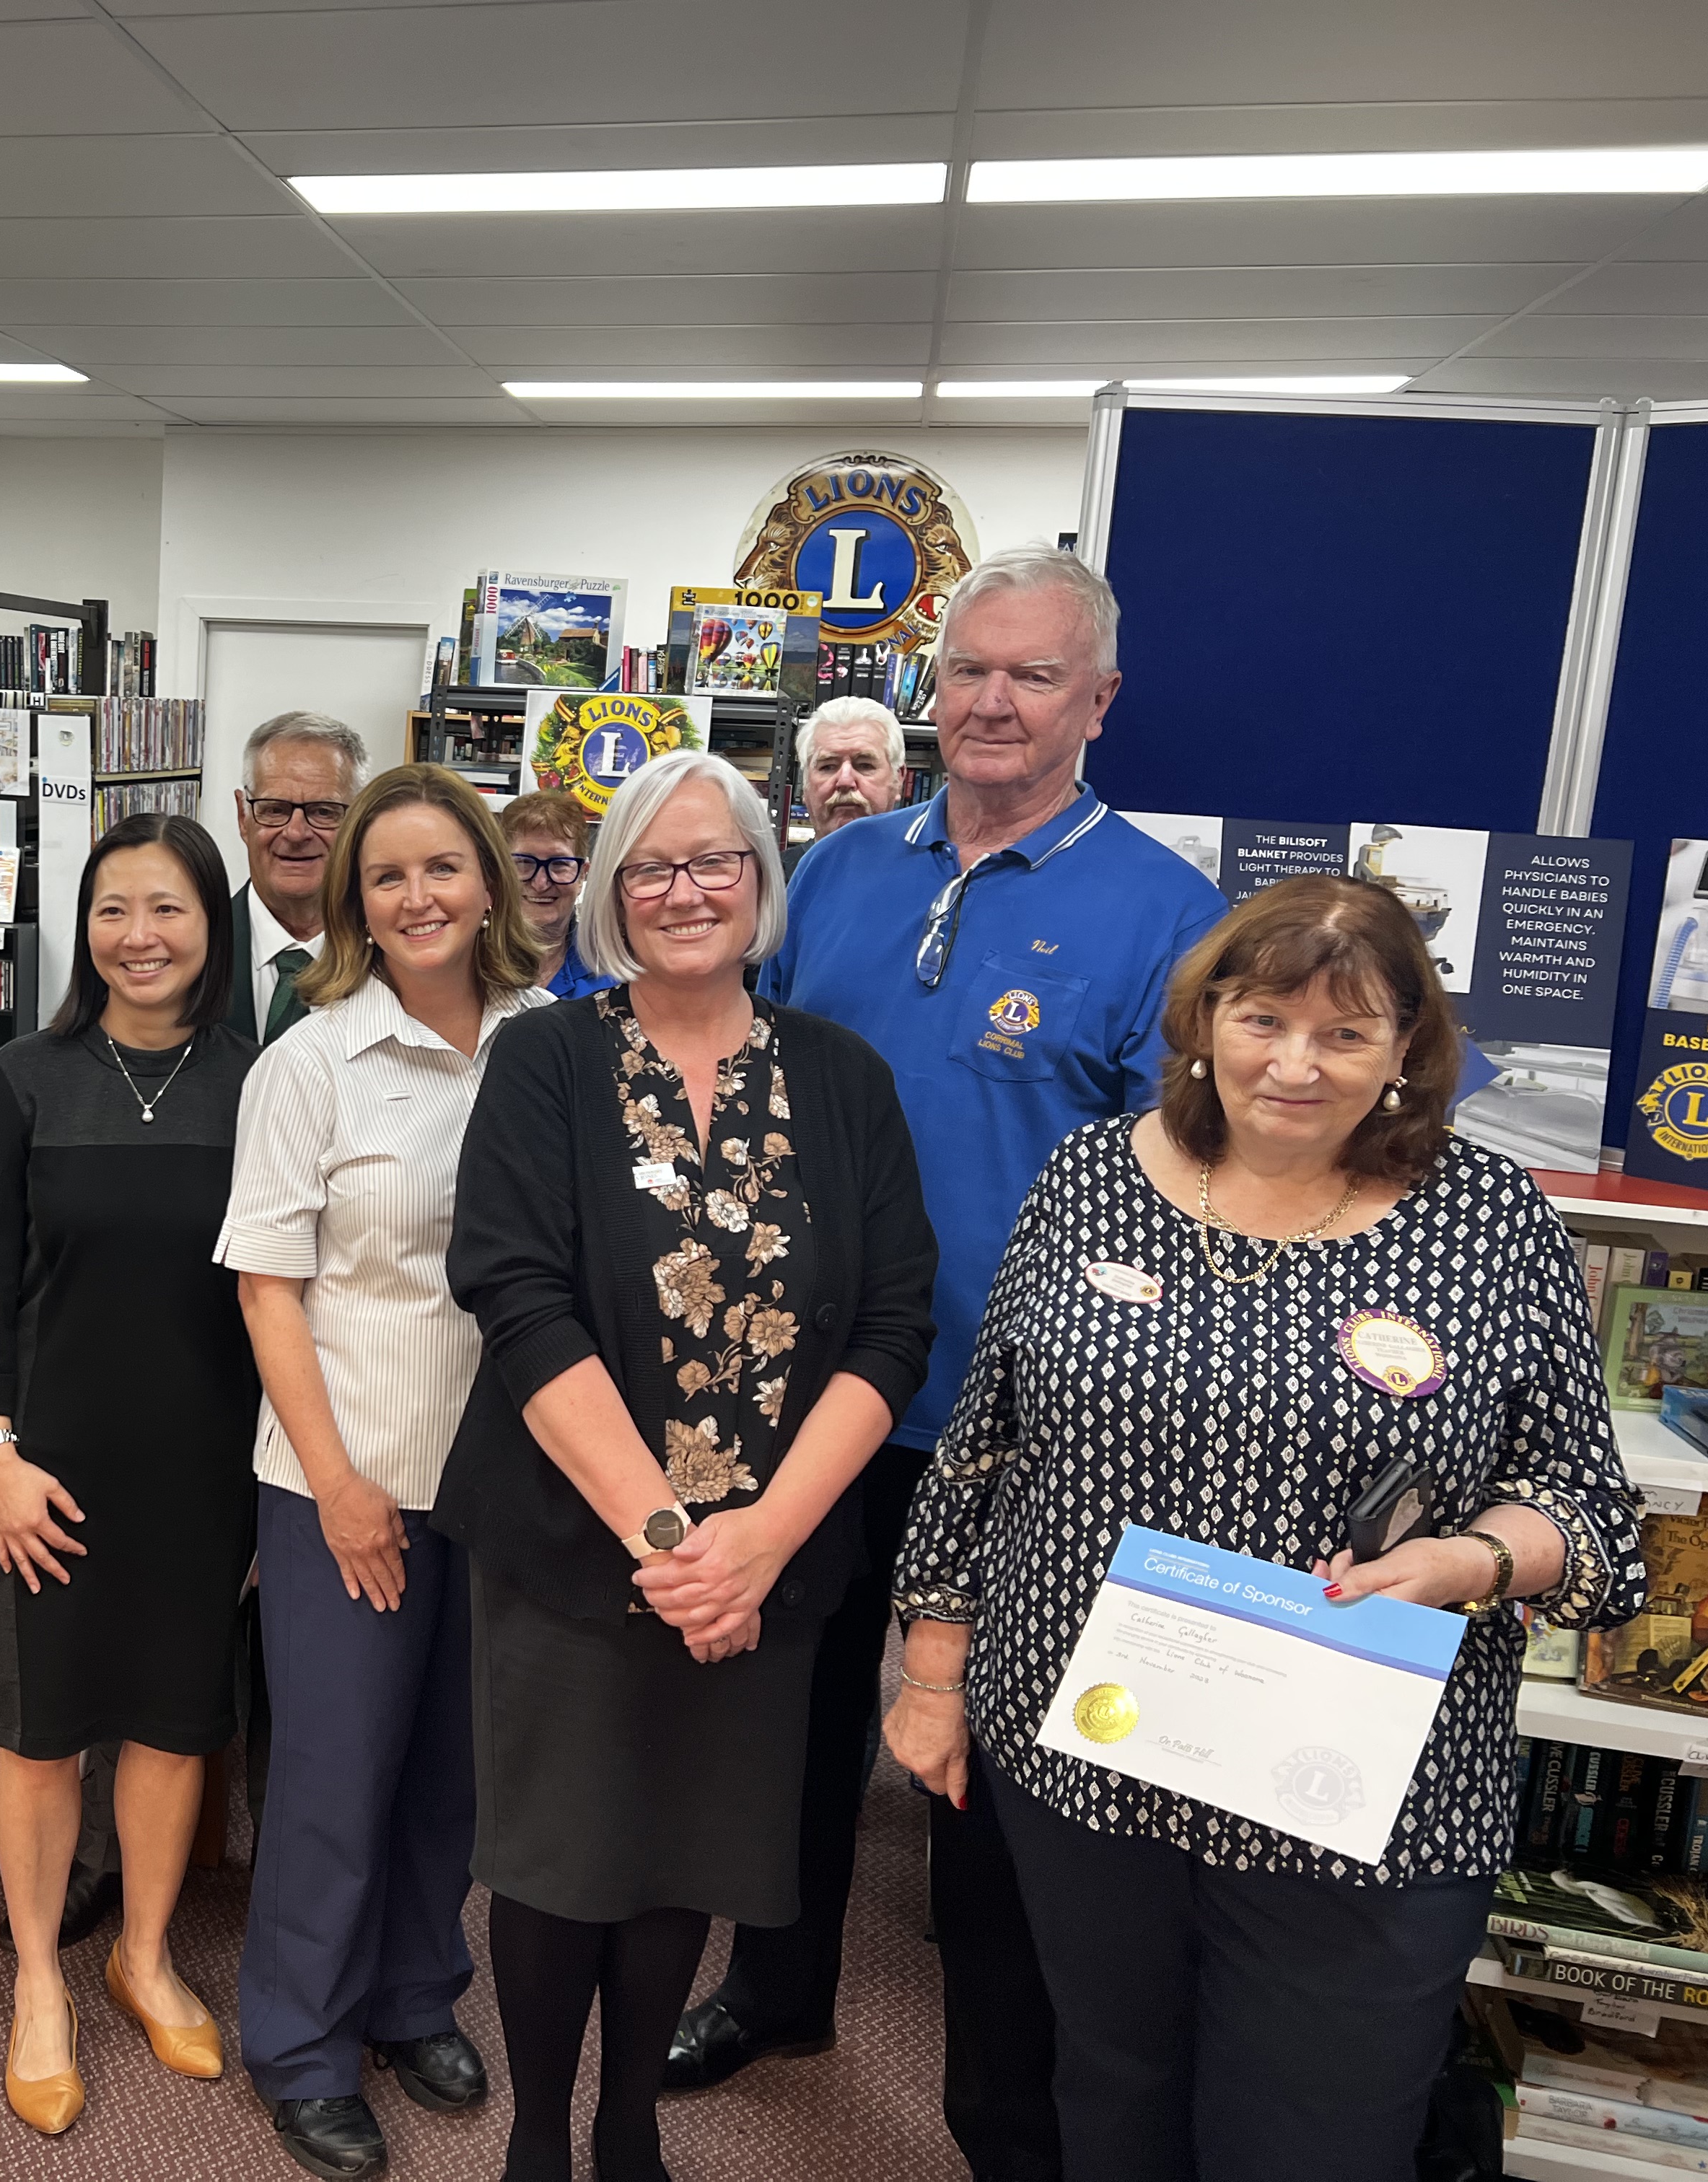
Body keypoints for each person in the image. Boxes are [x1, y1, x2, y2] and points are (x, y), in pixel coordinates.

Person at [884, 873, 1645, 2182]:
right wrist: (932, 1672)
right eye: (1260, 1018)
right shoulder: (1088, 1174)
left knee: (1311, 2133)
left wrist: (1475, 1557)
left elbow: (1589, 1509)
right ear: (1202, 1018)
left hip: (1358, 1785)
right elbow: (981, 1444)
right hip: (1089, 1749)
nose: (1292, 1063)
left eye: (1342, 1033)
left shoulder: (1488, 1218)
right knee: (1112, 2094)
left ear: (1406, 1049)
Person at [667, 547, 1222, 2182]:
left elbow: (1183, 1202)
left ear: (1097, 700)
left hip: (1016, 1436)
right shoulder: (836, 873)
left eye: (1031, 675)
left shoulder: (1171, 919)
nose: (988, 700)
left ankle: (1005, 2110)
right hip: (810, 1405)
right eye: (966, 668)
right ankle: (774, 1991)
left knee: (986, 1805)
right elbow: (738, 1084)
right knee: (783, 1733)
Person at [437, 749, 937, 2182]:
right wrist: (673, 1541)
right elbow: (516, 1296)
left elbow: (897, 1319)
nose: (685, 892)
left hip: (766, 1564)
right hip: (574, 1543)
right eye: (650, 868)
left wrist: (764, 1543)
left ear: (763, 882)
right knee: (560, 1858)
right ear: (607, 896)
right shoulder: (544, 1059)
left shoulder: (843, 1078)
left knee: (687, 1853)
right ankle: (542, 2135)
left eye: (715, 860)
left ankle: (628, 2127)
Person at [219, 762, 543, 2182]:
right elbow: (267, 1291)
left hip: (514, 1480)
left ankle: (416, 2000)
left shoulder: (554, 1047)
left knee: (453, 1778)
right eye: (389, 875)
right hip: (343, 1475)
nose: (418, 896)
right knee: (336, 1776)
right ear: (358, 899)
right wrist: (342, 1484)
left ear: (492, 884)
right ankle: (299, 2042)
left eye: (442, 869)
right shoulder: (312, 1060)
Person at [0, 811, 260, 2137]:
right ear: (81, 927)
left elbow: (275, 1297)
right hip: (43, 1470)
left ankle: (140, 1952)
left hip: (204, 1470)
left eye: (169, 908)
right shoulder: (23, 1075)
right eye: (114, 908)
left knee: (176, 1724)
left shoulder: (263, 1077)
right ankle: (37, 1977)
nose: (140, 935)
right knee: (38, 1729)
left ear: (211, 926)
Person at [224, 711, 366, 1046]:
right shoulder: (193, 950)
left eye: (323, 811)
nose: (297, 833)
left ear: (358, 819)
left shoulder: (396, 960)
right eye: (274, 809)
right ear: (244, 817)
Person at [500, 789, 612, 1000]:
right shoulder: (469, 964)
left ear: (582, 875)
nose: (541, 883)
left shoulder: (609, 976)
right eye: (524, 863)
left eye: (559, 864)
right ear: (501, 870)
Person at [794, 697, 908, 842]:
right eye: (827, 767)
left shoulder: (925, 865)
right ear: (805, 785)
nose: (845, 781)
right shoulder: (773, 866)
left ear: (898, 780)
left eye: (865, 765)